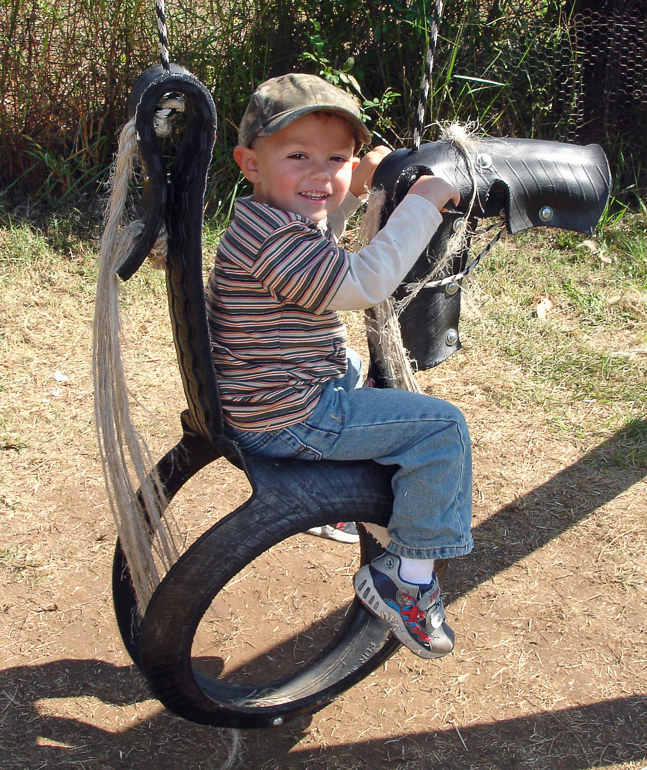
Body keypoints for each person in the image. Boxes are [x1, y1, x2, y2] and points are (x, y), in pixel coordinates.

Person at [205, 73, 473, 659]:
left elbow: (327, 222)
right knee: (441, 428)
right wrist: (423, 201)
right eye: (298, 155)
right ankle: (407, 581)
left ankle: (353, 504)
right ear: (250, 162)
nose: (321, 174)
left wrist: (362, 183)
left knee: (356, 365)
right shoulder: (276, 241)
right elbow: (363, 281)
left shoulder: (269, 219)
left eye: (338, 157)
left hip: (268, 390)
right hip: (290, 416)